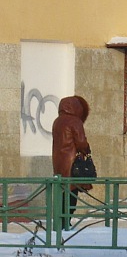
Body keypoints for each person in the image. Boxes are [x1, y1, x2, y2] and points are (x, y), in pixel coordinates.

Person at [51, 95, 92, 231]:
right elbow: (80, 142)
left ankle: (60, 222)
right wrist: (86, 148)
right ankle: (66, 222)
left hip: (59, 163)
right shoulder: (75, 121)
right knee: (72, 194)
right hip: (72, 164)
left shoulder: (57, 121)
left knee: (62, 193)